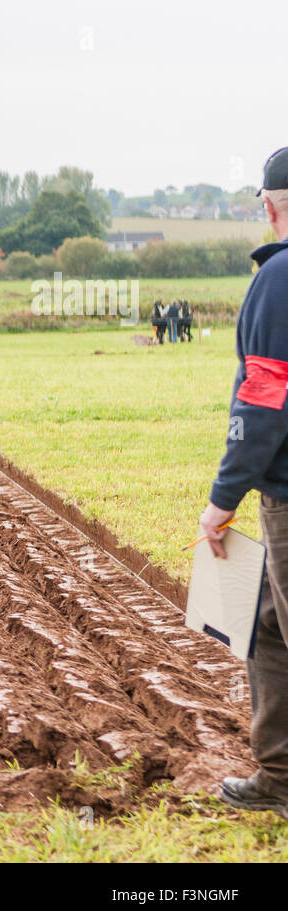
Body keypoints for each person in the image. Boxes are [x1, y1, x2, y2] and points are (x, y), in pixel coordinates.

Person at [199, 146, 288, 820]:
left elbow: (262, 398)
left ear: (270, 202)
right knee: (265, 627)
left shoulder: (278, 278)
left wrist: (223, 498)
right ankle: (280, 774)